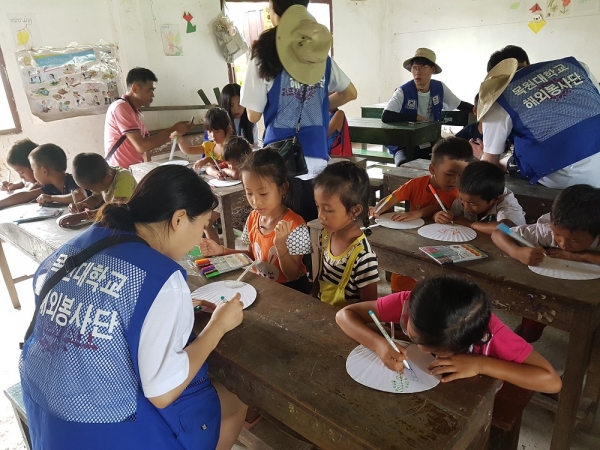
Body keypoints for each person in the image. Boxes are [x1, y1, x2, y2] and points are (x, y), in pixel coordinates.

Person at [20, 165, 248, 450]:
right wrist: (218, 326)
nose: (201, 236)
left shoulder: (76, 246)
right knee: (234, 400)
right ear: (179, 219)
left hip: (48, 417)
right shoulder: (162, 276)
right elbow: (163, 392)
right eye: (201, 226)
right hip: (109, 431)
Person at [335, 274, 562, 394]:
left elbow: (552, 381)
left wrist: (481, 365)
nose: (419, 347)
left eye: (427, 347)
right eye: (409, 331)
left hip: (468, 398)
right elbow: (345, 315)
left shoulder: (492, 334)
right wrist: (379, 345)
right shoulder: (413, 304)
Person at [241, 1, 358, 222]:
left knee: (289, 232)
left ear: (275, 11)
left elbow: (253, 115)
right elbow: (350, 93)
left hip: (281, 162)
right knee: (315, 226)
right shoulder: (319, 56)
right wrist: (320, 107)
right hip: (318, 156)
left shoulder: (264, 56)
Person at [477, 46, 600, 188]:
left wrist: (481, 156)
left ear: (495, 78)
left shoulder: (500, 97)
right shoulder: (577, 66)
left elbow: (489, 163)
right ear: (528, 63)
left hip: (565, 177)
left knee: (507, 163)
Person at [492, 184, 600, 342]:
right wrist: (516, 252)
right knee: (530, 333)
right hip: (553, 289)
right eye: (558, 235)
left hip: (591, 296)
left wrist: (583, 256)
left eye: (575, 241)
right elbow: (501, 230)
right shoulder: (547, 232)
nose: (563, 244)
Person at [200, 149, 312, 293]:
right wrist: (221, 250)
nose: (255, 201)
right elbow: (252, 257)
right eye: (249, 193)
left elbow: (292, 274)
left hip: (291, 293)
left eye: (263, 193)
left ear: (283, 188)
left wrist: (281, 246)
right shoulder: (254, 217)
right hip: (263, 287)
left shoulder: (295, 226)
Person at [369, 137, 473, 292]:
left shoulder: (459, 192)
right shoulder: (416, 184)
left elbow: (440, 205)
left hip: (443, 243)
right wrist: (378, 209)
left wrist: (417, 213)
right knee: (402, 275)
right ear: (432, 169)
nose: (455, 181)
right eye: (450, 174)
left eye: (461, 175)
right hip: (413, 241)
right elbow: (393, 198)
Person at [382, 48, 474, 165]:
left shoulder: (439, 88)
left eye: (423, 67)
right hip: (404, 144)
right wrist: (415, 117)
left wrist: (476, 109)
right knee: (404, 165)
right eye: (415, 67)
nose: (418, 72)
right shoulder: (403, 91)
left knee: (449, 160)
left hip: (429, 140)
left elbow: (459, 104)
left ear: (432, 70)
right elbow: (386, 116)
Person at [312, 161, 379, 305]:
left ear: (355, 210)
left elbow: (369, 309)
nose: (320, 215)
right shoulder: (325, 235)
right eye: (318, 206)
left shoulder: (363, 257)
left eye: (328, 210)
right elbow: (320, 279)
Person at [104, 67, 192, 168]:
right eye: (150, 90)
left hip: (132, 169)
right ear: (135, 88)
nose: (153, 95)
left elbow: (147, 143)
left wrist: (175, 131)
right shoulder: (121, 107)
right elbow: (141, 146)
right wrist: (173, 130)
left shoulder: (134, 111)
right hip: (121, 172)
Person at [434, 160, 526, 234]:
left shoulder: (507, 203)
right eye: (462, 200)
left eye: (473, 204)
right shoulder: (467, 197)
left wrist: (469, 223)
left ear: (497, 200)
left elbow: (505, 229)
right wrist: (440, 216)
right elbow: (454, 219)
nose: (465, 206)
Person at [59, 152, 137, 228]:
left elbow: (115, 208)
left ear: (108, 178)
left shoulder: (124, 177)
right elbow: (96, 198)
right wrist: (80, 205)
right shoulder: (102, 178)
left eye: (92, 188)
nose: (92, 190)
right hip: (118, 217)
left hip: (135, 219)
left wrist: (83, 215)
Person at [204, 136, 253, 242]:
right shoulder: (229, 164)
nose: (231, 166)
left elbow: (237, 174)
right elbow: (209, 168)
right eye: (228, 164)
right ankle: (215, 250)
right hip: (226, 203)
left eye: (234, 164)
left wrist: (226, 171)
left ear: (245, 158)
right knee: (205, 222)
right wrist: (216, 173)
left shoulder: (249, 166)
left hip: (243, 207)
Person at [172, 107, 233, 173]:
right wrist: (180, 141)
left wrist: (208, 159)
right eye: (209, 131)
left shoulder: (233, 148)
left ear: (228, 130)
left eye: (217, 131)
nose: (213, 135)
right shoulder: (208, 146)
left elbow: (228, 165)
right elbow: (189, 150)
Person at [0, 139, 41, 209]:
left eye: (21, 172)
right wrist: (13, 185)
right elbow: (23, 182)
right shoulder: (33, 180)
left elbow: (25, 195)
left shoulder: (44, 184)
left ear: (34, 167)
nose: (21, 176)